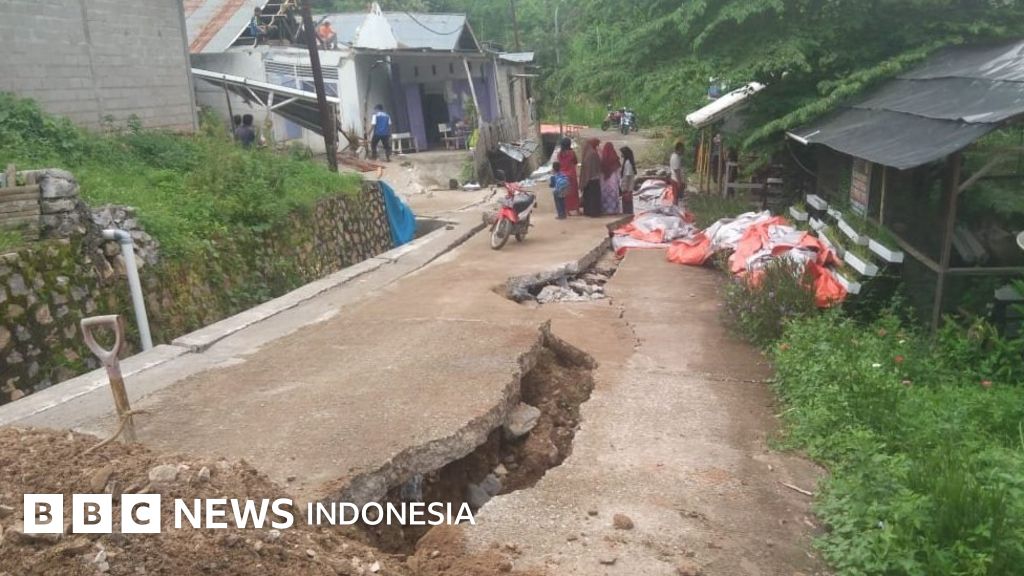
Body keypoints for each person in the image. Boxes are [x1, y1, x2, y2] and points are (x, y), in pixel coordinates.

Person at [556, 138, 580, 216]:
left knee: (565, 194)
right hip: (571, 175)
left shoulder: (559, 154)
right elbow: (575, 162)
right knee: (574, 193)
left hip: (563, 175)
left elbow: (559, 163)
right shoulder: (572, 153)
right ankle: (577, 210)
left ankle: (567, 211)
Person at [579, 139, 602, 217]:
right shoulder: (593, 153)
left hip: (588, 178)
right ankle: (594, 212)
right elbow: (597, 165)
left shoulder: (587, 153)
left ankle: (588, 211)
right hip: (593, 178)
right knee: (594, 197)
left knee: (588, 196)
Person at [599, 142, 621, 215]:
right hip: (613, 181)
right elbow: (618, 171)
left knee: (605, 195)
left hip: (604, 181)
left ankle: (604, 210)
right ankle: (613, 210)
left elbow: (600, 171)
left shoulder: (602, 159)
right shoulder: (614, 158)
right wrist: (619, 180)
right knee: (613, 195)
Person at [620, 146, 637, 215]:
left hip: (627, 188)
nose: (621, 155)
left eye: (622, 153)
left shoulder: (628, 163)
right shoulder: (628, 162)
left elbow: (627, 177)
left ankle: (628, 216)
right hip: (628, 188)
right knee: (627, 204)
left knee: (627, 206)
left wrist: (625, 189)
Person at [670, 140, 686, 205]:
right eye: (682, 149)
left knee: (677, 197)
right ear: (679, 149)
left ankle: (676, 207)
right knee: (676, 197)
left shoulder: (676, 156)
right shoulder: (675, 158)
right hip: (676, 180)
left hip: (676, 179)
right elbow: (677, 171)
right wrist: (679, 182)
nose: (683, 150)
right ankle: (675, 208)